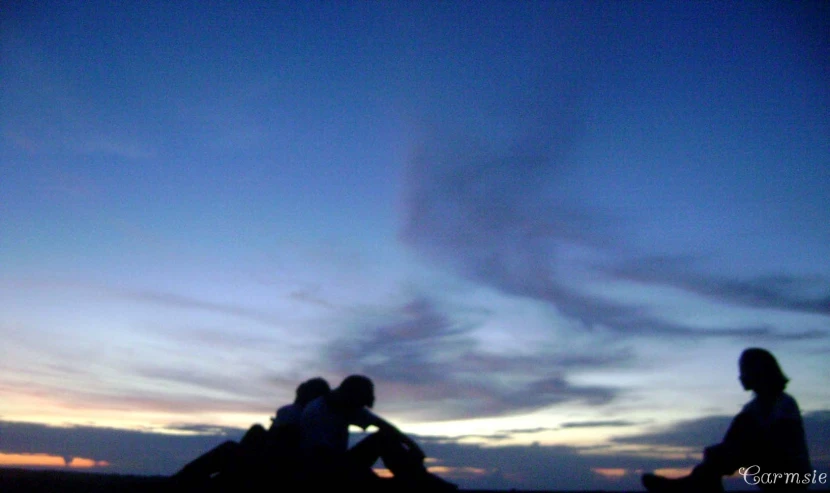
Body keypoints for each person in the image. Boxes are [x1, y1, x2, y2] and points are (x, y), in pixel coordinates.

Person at [642, 348, 811, 492]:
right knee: (729, 442)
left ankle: (698, 481)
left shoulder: (784, 403)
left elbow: (781, 443)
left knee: (743, 428)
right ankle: (702, 479)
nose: (741, 376)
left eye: (744, 370)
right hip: (767, 469)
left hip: (791, 476)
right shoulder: (752, 408)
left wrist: (735, 451)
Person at [299, 374, 457, 490]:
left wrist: (413, 447)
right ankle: (420, 481)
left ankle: (420, 478)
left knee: (383, 438)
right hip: (322, 472)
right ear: (348, 396)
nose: (360, 408)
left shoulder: (346, 406)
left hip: (339, 464)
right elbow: (322, 457)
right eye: (358, 403)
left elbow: (385, 427)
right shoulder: (317, 413)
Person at [171, 377, 330, 489]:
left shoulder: (294, 413)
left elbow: (280, 446)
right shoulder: (317, 417)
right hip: (279, 463)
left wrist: (275, 428)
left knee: (230, 448)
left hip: (274, 467)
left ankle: (180, 481)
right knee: (253, 432)